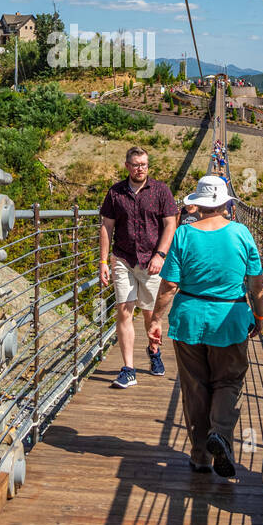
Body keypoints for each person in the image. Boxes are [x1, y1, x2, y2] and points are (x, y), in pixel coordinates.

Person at [148, 175, 263, 478]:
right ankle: (221, 434)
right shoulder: (241, 233)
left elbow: (170, 284)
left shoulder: (184, 235)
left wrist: (156, 319)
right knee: (229, 381)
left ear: (197, 204)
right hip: (231, 317)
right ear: (227, 203)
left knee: (195, 387)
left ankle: (200, 456)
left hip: (190, 318)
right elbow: (256, 283)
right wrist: (260, 316)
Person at [99, 146, 178, 388]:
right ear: (127, 166)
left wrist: (161, 255)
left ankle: (154, 351)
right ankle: (128, 369)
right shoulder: (115, 193)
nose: (140, 168)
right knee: (124, 310)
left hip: (152, 261)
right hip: (123, 259)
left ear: (147, 166)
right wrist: (103, 261)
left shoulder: (161, 190)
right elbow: (106, 227)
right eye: (135, 164)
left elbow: (170, 224)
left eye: (143, 164)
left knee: (150, 314)